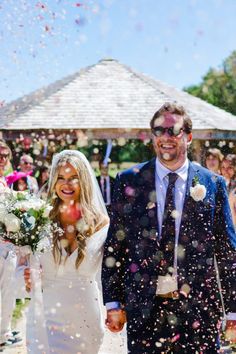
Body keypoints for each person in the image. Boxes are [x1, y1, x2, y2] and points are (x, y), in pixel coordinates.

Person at [102, 102, 236, 353]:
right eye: (158, 130)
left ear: (188, 136)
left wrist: (233, 310)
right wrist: (113, 302)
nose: (166, 137)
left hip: (199, 313)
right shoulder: (129, 180)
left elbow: (228, 253)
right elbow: (114, 246)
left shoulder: (213, 184)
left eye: (173, 131)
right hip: (144, 311)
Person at [24, 150, 109, 354]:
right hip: (45, 315)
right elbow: (23, 269)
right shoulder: (40, 219)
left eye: (73, 178)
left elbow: (109, 275)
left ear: (84, 181)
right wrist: (27, 278)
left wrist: (116, 307)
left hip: (85, 319)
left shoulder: (102, 224)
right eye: (60, 178)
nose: (66, 184)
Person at [0, 140, 23, 349]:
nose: (2, 160)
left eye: (6, 156)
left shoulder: (4, 183)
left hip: (7, 246)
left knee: (8, 291)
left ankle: (4, 332)